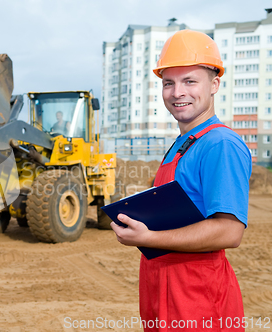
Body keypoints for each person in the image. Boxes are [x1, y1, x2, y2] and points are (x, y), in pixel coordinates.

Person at [110, 29, 252, 331]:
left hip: (199, 304)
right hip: (165, 296)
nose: (177, 93)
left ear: (214, 84)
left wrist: (149, 239)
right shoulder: (184, 143)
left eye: (190, 81)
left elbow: (229, 231)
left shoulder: (220, 144)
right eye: (168, 83)